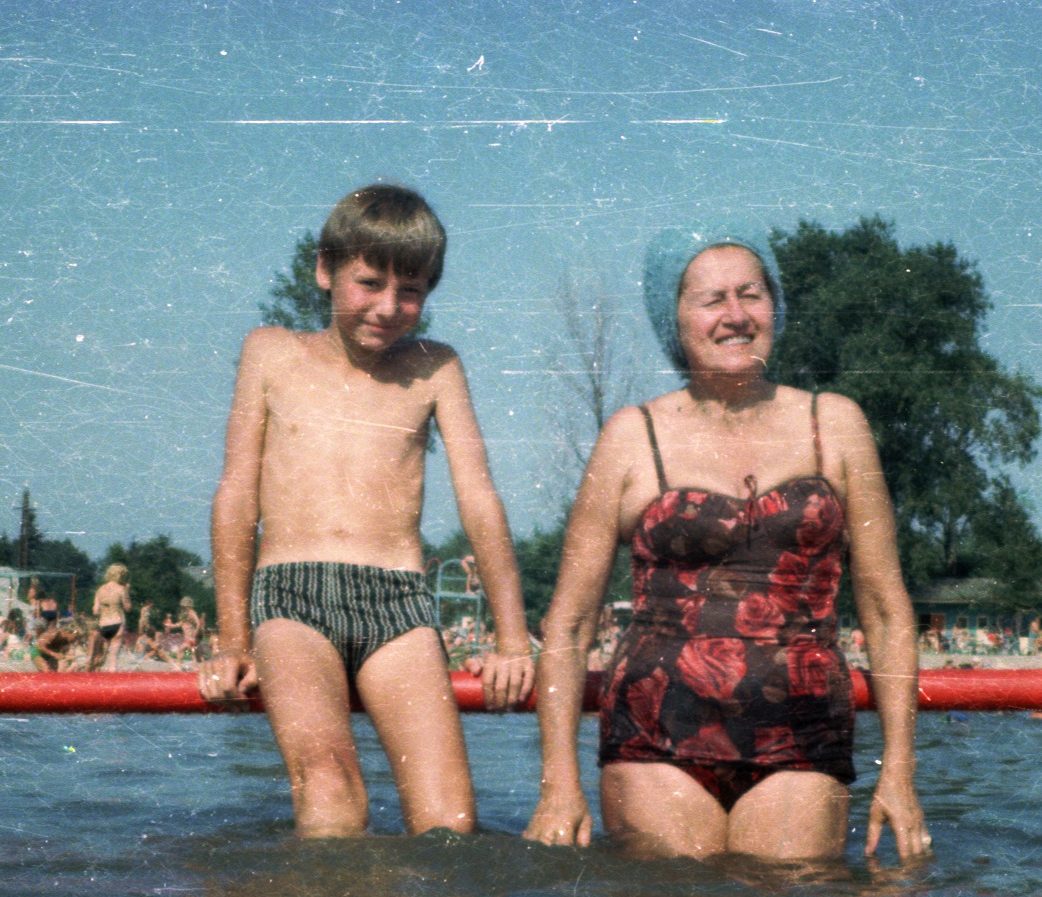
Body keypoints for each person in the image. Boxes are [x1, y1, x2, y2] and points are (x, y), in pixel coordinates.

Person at [524, 225, 928, 862]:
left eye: (752, 294)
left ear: (775, 307)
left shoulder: (837, 424)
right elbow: (570, 623)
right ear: (675, 319)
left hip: (802, 739)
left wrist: (900, 773)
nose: (736, 316)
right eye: (712, 300)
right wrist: (558, 786)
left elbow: (885, 608)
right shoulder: (632, 437)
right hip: (655, 738)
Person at [199, 182, 535, 837]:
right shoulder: (271, 352)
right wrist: (232, 639)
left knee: (450, 822)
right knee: (331, 792)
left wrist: (513, 640)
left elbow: (480, 501)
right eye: (369, 283)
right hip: (292, 598)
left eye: (410, 290)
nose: (388, 307)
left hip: (399, 603)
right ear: (325, 271)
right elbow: (236, 495)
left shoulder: (437, 367)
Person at [91, 563, 132, 672]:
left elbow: (95, 611)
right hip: (117, 623)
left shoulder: (100, 590)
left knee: (100, 657)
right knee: (113, 658)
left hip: (103, 624)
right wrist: (127, 591)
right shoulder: (121, 589)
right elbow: (128, 608)